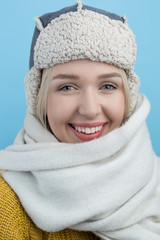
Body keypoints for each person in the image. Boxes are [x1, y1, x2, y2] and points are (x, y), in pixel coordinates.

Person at [0, 0, 160, 239]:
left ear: (128, 95)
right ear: (39, 99)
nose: (90, 109)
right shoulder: (7, 205)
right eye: (67, 87)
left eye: (108, 85)